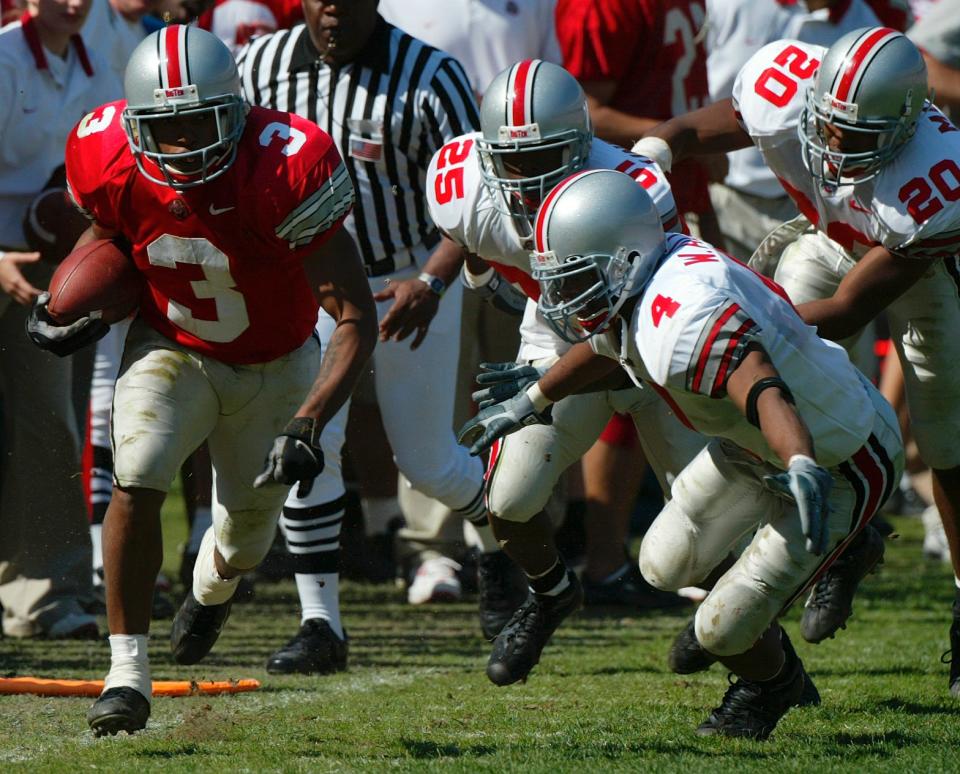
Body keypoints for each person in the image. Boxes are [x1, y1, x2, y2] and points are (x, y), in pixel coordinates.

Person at [459, 169, 903, 739]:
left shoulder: (683, 316)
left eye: (574, 279)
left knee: (721, 630)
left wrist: (799, 461)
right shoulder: (650, 267)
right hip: (753, 445)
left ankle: (771, 686)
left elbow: (763, 385)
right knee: (661, 564)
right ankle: (797, 593)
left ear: (622, 258)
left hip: (840, 456)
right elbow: (610, 345)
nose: (564, 297)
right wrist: (534, 396)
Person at [30, 24, 375, 735]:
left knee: (242, 543)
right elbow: (113, 238)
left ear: (238, 111)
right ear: (134, 122)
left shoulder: (288, 165)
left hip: (277, 365)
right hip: (173, 344)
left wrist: (309, 419)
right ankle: (126, 675)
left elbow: (354, 316)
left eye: (198, 121)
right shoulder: (105, 151)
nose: (182, 142)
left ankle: (210, 595)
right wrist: (74, 302)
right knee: (140, 471)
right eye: (165, 125)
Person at [640, 26, 960, 696]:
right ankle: (838, 543)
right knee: (774, 388)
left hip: (926, 273)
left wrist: (740, 322)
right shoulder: (783, 86)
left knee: (948, 442)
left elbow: (845, 312)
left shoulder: (934, 181)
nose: (834, 144)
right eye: (827, 124)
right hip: (832, 240)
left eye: (856, 133)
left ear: (903, 128)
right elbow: (697, 132)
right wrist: (652, 154)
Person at [236, 0, 511, 665]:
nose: (333, 9)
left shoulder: (430, 74)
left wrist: (435, 281)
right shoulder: (258, 66)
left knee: (428, 461)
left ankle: (504, 556)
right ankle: (320, 624)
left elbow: (482, 193)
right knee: (312, 440)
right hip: (311, 286)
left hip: (405, 282)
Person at [428, 59, 703, 656]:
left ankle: (762, 649)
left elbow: (625, 331)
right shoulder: (462, 183)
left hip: (646, 341)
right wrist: (483, 274)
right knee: (509, 500)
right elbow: (472, 242)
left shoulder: (635, 187)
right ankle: (552, 593)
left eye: (543, 157)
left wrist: (540, 388)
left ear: (582, 148)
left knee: (700, 537)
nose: (525, 178)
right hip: (556, 334)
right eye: (511, 159)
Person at [0, 0, 120, 640]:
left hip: (54, 269)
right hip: (3, 257)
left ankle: (48, 596)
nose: (73, 5)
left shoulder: (101, 69)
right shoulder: (3, 60)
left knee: (51, 428)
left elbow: (93, 181)